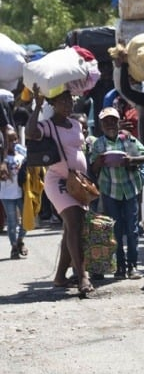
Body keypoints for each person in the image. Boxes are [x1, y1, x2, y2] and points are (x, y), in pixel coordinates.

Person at [26, 88, 93, 297]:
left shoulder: (75, 124)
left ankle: (60, 277)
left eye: (69, 100)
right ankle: (82, 276)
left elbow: (79, 149)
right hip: (58, 181)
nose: (68, 104)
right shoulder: (47, 125)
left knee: (72, 228)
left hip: (78, 182)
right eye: (63, 101)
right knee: (74, 222)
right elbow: (30, 133)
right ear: (53, 103)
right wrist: (37, 106)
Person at [89, 107, 144, 280]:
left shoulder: (128, 139)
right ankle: (120, 267)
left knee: (132, 229)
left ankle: (133, 266)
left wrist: (132, 160)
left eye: (113, 120)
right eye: (106, 121)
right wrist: (100, 161)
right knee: (115, 230)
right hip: (110, 191)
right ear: (101, 125)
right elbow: (93, 168)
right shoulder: (98, 144)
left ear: (118, 122)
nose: (110, 124)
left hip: (130, 189)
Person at [1, 126, 26, 259]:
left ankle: (20, 240)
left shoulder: (22, 152)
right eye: (9, 140)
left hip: (22, 193)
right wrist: (4, 160)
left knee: (27, 220)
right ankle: (14, 247)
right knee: (12, 222)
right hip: (7, 195)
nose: (13, 142)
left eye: (15, 139)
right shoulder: (1, 156)